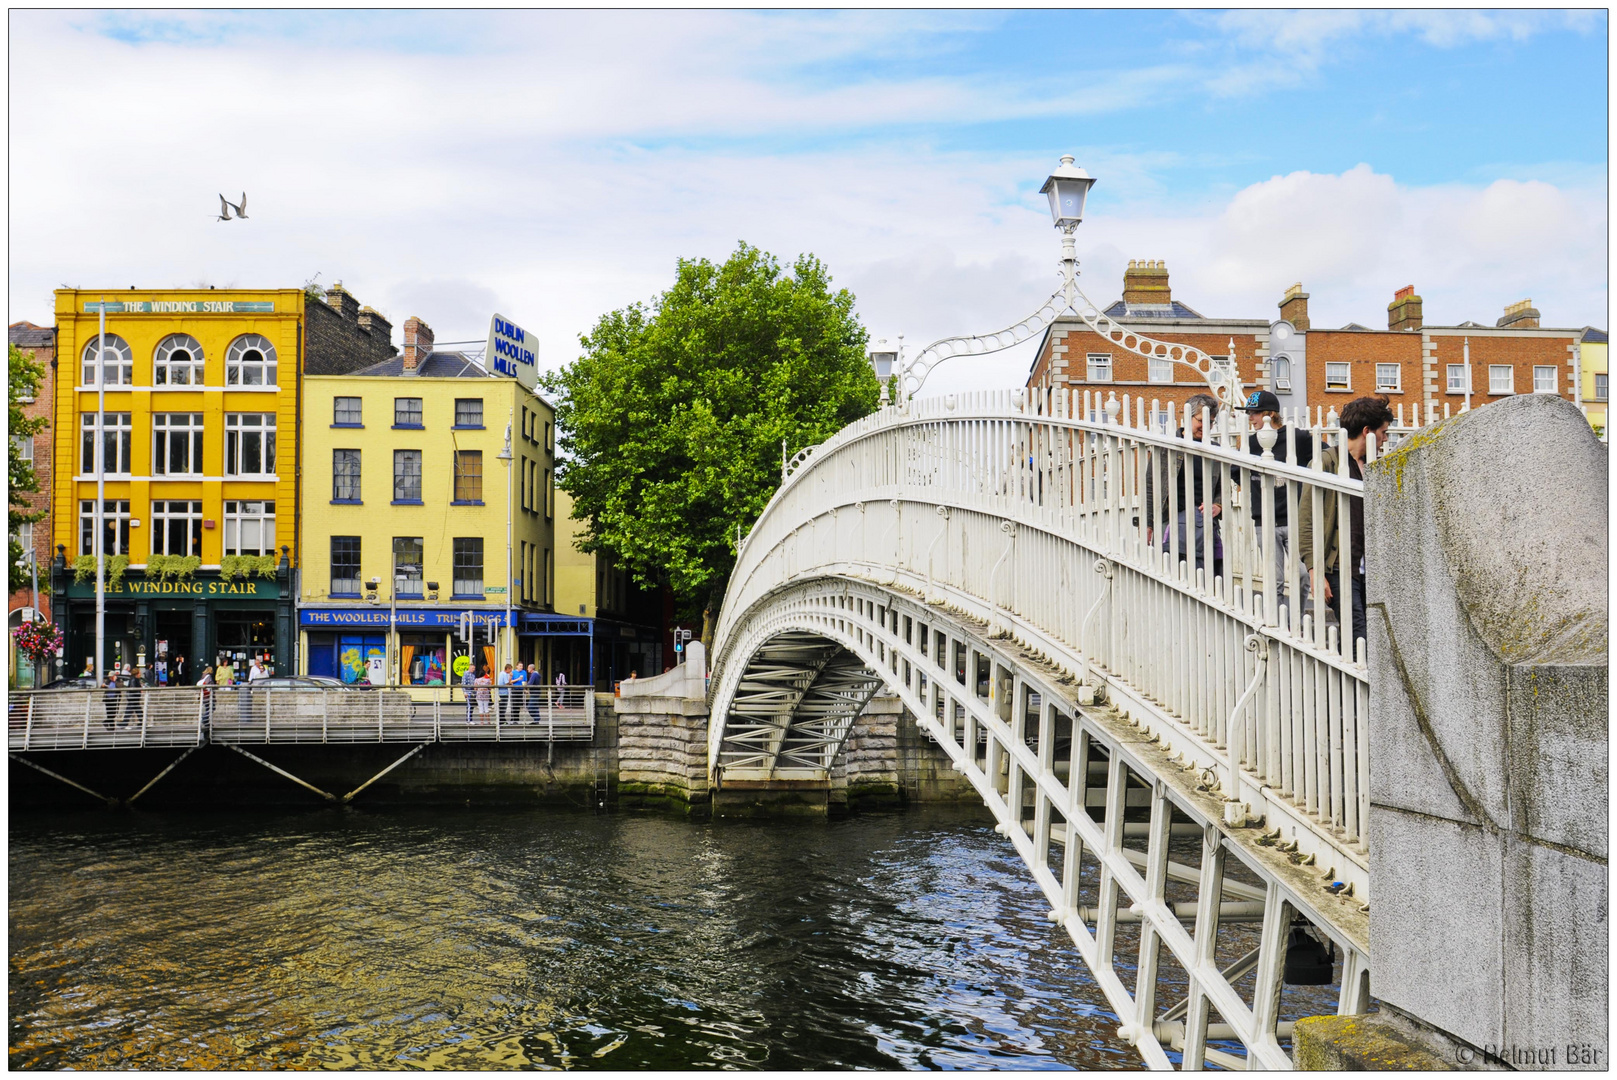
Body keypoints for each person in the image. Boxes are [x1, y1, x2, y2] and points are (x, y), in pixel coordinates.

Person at [1297, 395, 1394, 655]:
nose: (1385, 439)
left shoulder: (1377, 467)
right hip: (1340, 568)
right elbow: (1307, 520)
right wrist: (1315, 570)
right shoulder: (1327, 462)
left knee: (1371, 636)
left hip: (1371, 568)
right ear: (1367, 431)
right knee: (1358, 635)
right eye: (1383, 432)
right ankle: (1357, 693)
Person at [1238, 390, 1314, 611]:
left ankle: (1296, 622)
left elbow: (1323, 460)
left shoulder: (1297, 438)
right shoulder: (1250, 444)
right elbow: (1235, 470)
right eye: (1249, 413)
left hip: (1296, 519)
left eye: (1254, 413)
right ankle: (1279, 627)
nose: (1250, 418)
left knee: (1302, 576)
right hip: (1265, 521)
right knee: (1275, 580)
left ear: (1270, 414)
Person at [1143, 392, 1225, 581]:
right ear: (1188, 417)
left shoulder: (1215, 450)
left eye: (1210, 422)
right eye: (1201, 420)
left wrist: (1218, 505)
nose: (1205, 426)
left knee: (1203, 579)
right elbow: (1151, 486)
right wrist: (1148, 524)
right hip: (1167, 520)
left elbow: (1222, 487)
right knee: (1168, 577)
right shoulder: (1166, 446)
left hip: (1201, 523)